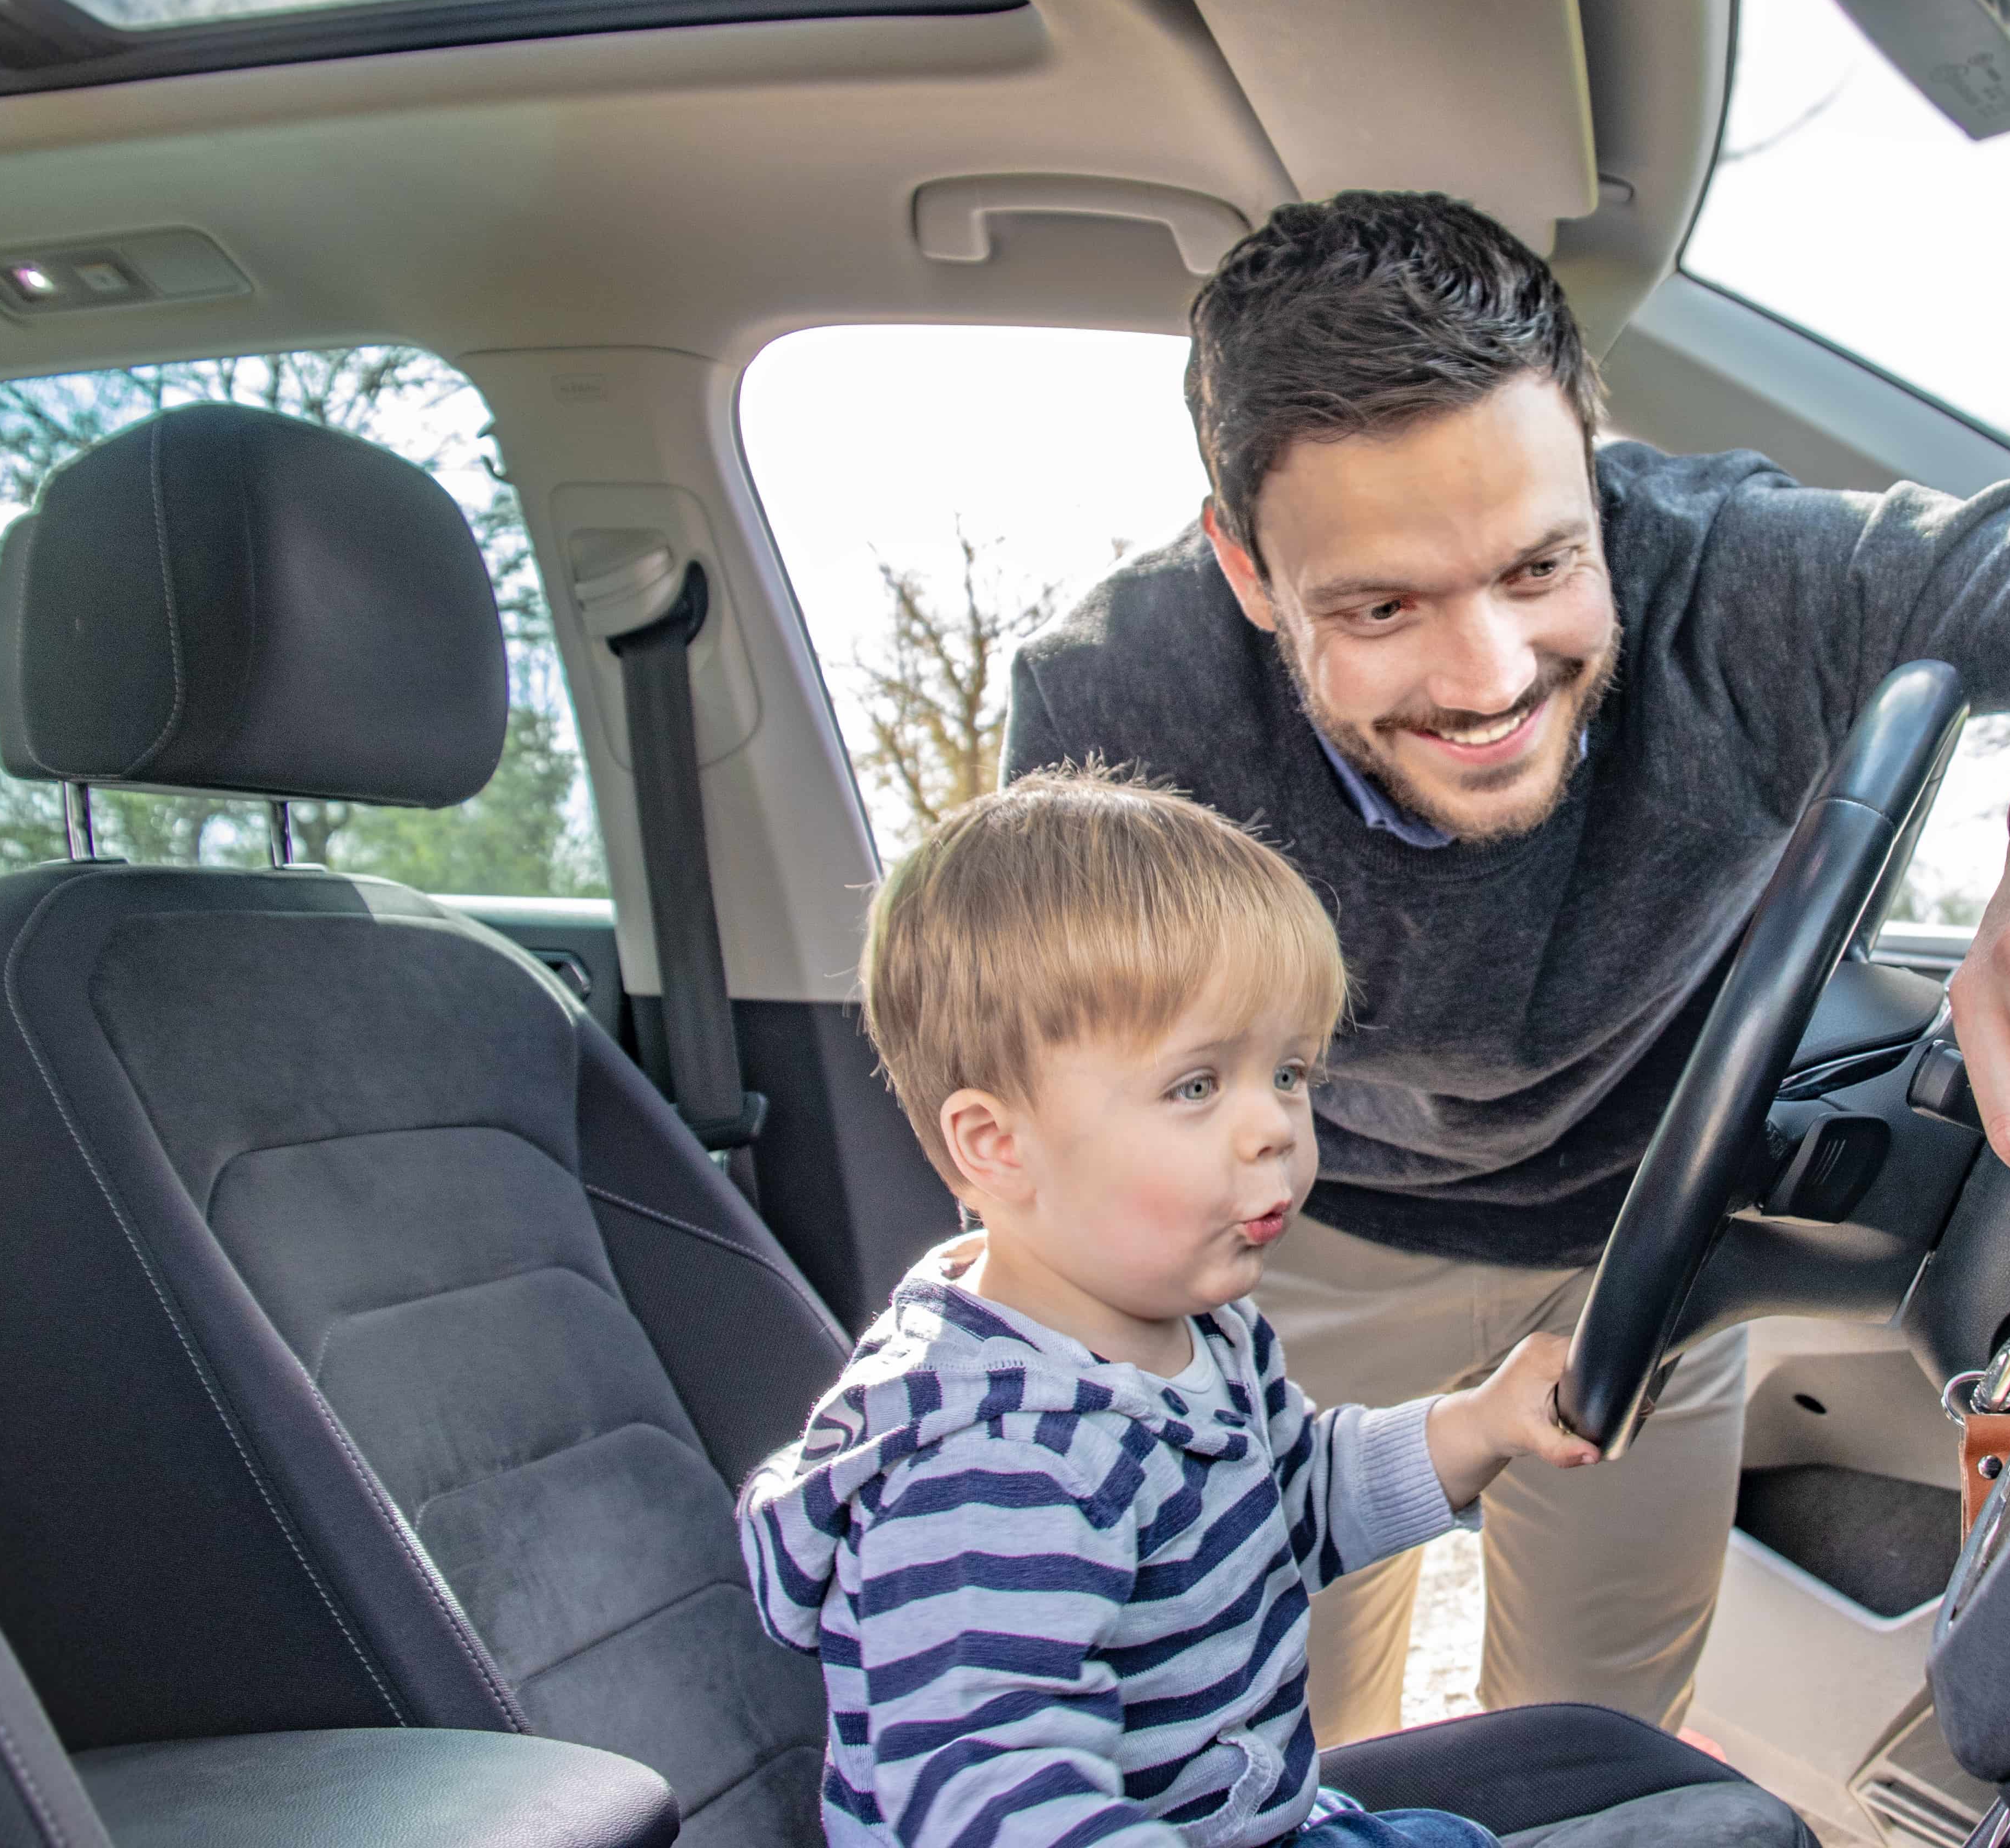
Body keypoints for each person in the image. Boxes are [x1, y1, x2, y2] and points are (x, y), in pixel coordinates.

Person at [1006, 191, 2010, 1742]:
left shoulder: (1734, 577)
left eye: (1541, 568)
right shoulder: (1113, 699)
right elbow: (1070, 1083)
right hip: (1301, 1248)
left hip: (1640, 1250)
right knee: (1261, 1719)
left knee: (1600, 1742)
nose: (1490, 679)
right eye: (1384, 606)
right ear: (1246, 568)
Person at [736, 770, 1806, 1848]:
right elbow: (990, 1800)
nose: (1277, 1132)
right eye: (1197, 1087)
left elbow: (1288, 1501)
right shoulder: (994, 1466)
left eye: (1290, 1074)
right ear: (995, 1145)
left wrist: (1475, 1428)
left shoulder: (1187, 1337)